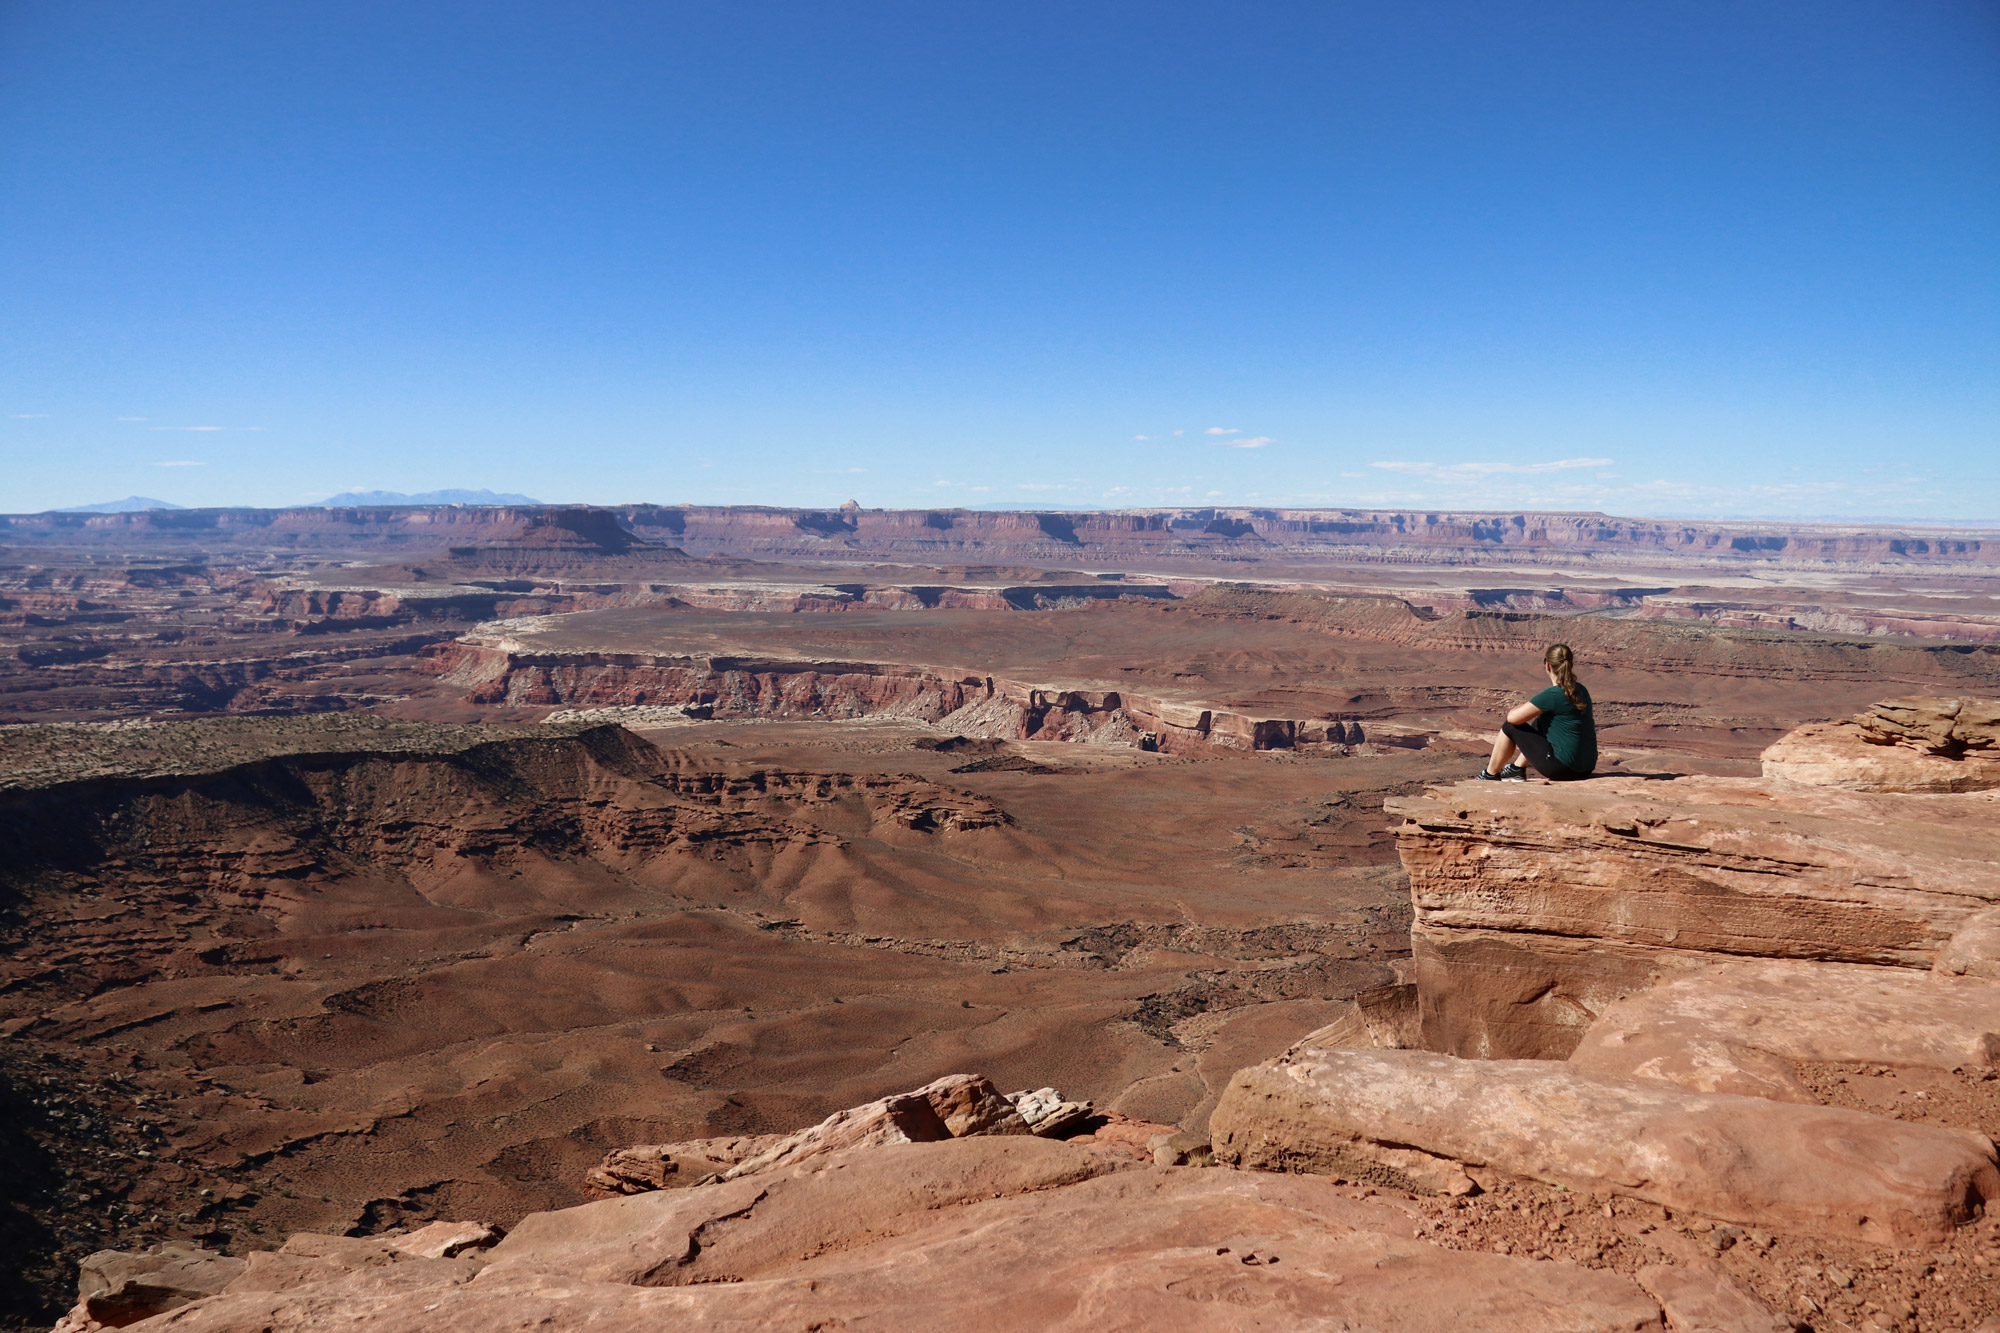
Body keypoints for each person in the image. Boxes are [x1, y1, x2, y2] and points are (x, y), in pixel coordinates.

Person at [1476, 643, 1596, 781]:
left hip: (1562, 769)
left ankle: (1490, 774)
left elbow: (1513, 719)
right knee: (1542, 721)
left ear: (1547, 665)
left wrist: (1518, 707)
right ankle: (1517, 769)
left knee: (1510, 726)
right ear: (1570, 664)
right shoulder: (1581, 689)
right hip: (1586, 768)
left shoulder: (1553, 694)